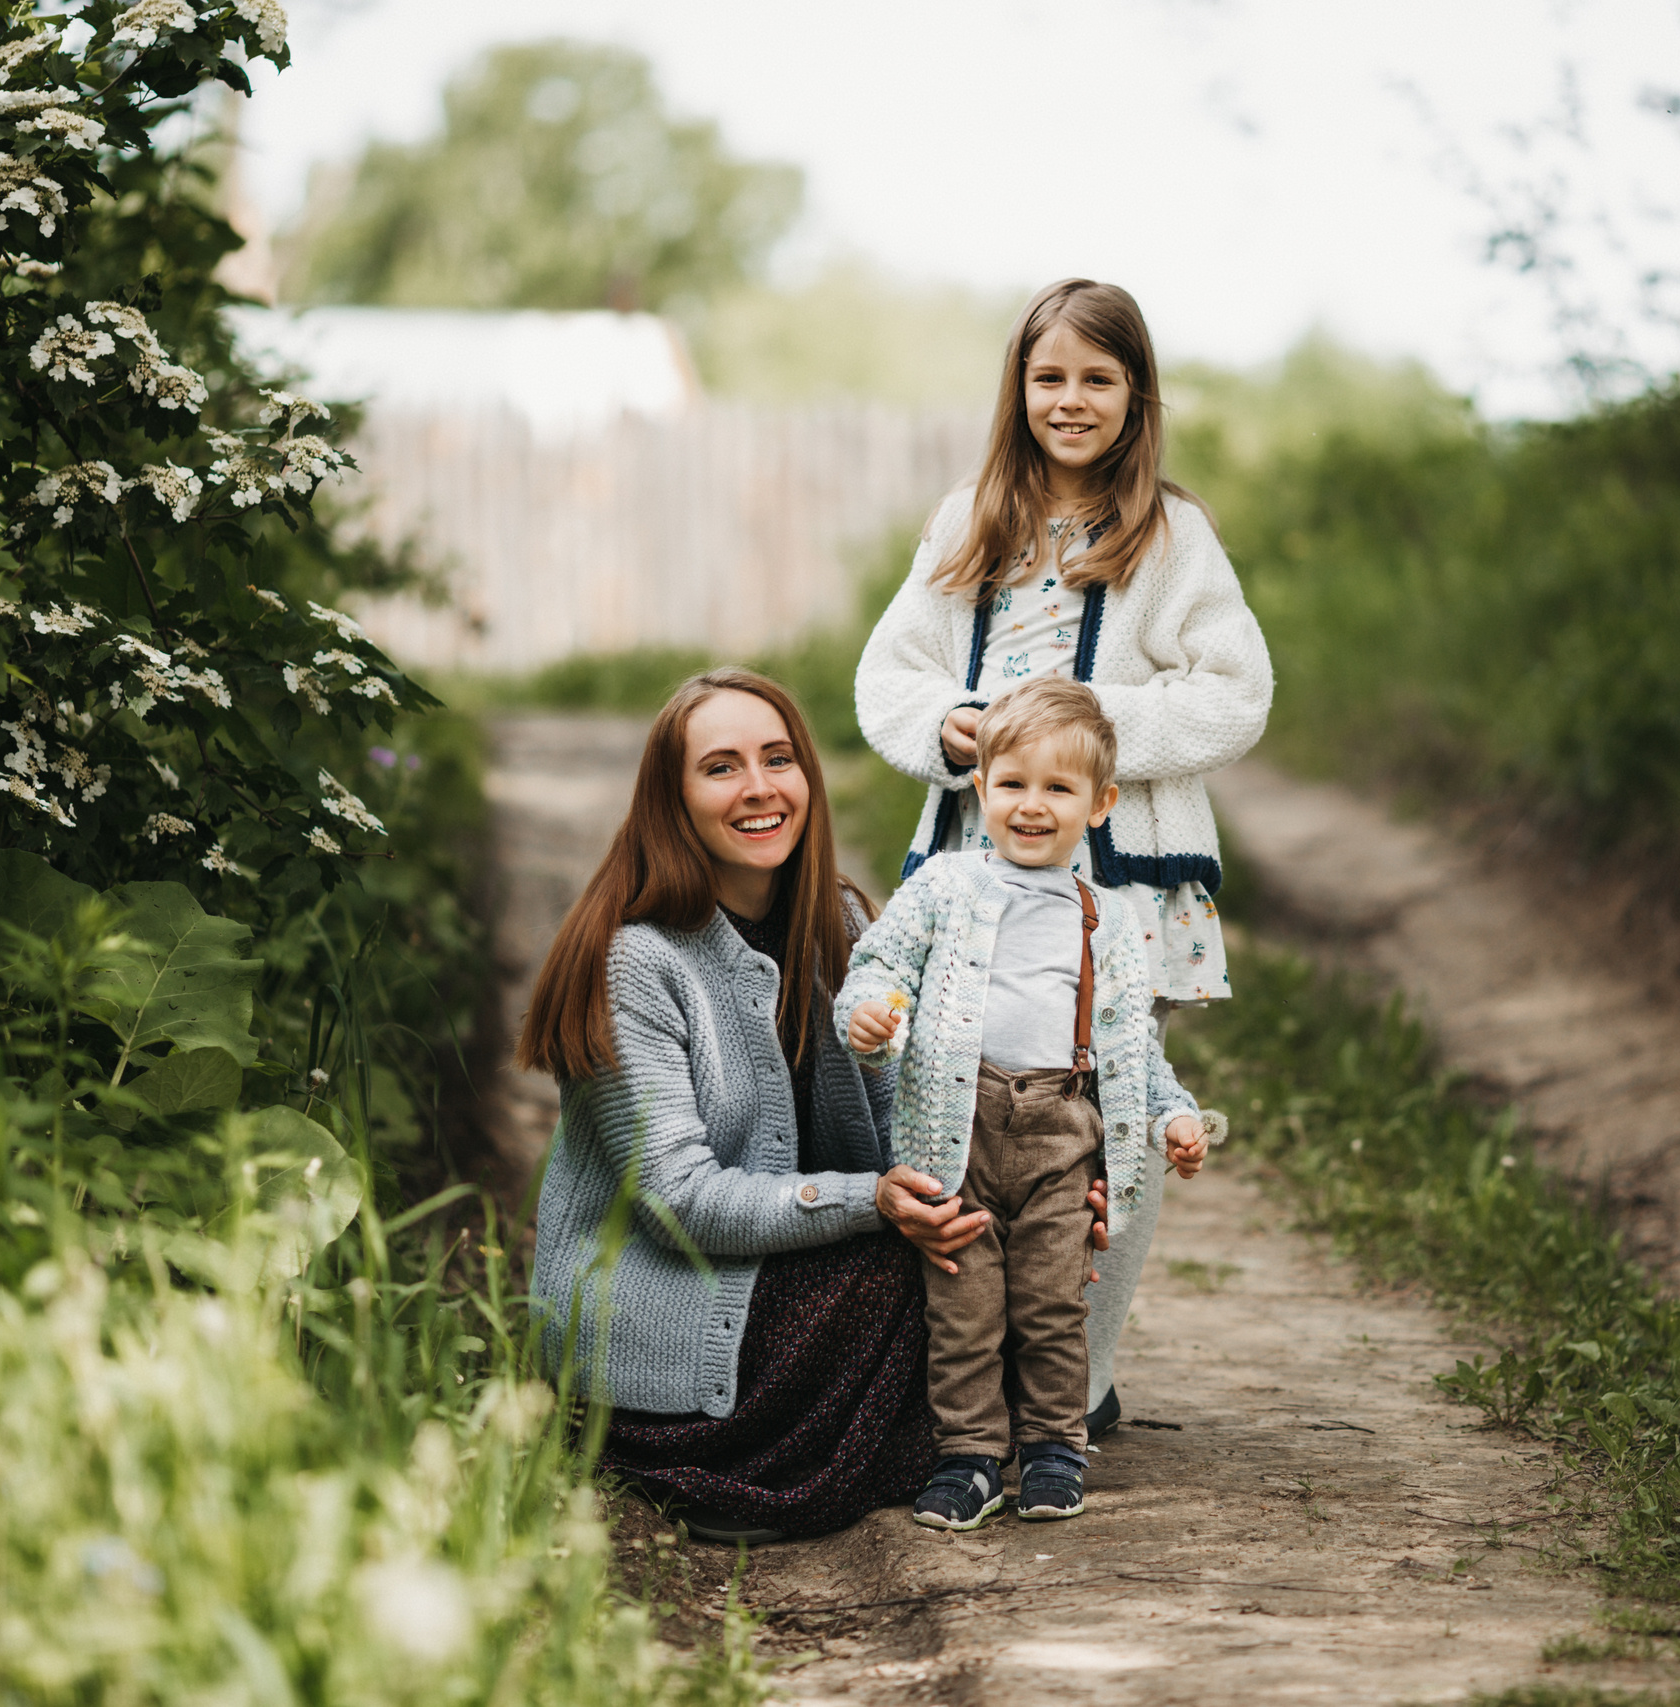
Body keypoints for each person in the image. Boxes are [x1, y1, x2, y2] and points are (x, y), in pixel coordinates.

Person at [516, 668, 1074, 1545]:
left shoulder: (843, 928)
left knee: (995, 1247)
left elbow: (915, 1122)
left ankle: (932, 1440)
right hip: (666, 1341)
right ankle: (792, 1464)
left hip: (792, 1286)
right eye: (721, 767)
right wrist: (871, 1202)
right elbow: (683, 1203)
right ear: (672, 797)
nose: (759, 788)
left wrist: (1041, 1183)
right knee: (908, 1281)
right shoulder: (637, 962)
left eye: (778, 758)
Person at [853, 277, 1273, 1436]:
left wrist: (1082, 739)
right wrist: (946, 729)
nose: (1070, 400)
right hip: (975, 884)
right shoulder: (968, 519)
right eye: (1049, 378)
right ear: (1019, 388)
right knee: (959, 1109)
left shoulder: (1172, 539)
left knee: (1106, 1120)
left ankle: (1070, 1378)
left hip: (1118, 889)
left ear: (1135, 394)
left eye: (1097, 378)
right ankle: (960, 1379)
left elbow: (1237, 694)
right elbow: (887, 672)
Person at [838, 678, 1208, 1528]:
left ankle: (1052, 1446)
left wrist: (1173, 1113)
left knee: (1050, 1302)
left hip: (1061, 1134)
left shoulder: (1108, 918)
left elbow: (1130, 1047)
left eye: (1058, 788)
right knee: (962, 1303)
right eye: (1011, 784)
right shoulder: (944, 886)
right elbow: (880, 968)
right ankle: (969, 1457)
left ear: (1101, 803)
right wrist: (866, 1013)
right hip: (956, 1128)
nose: (1031, 806)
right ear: (980, 789)